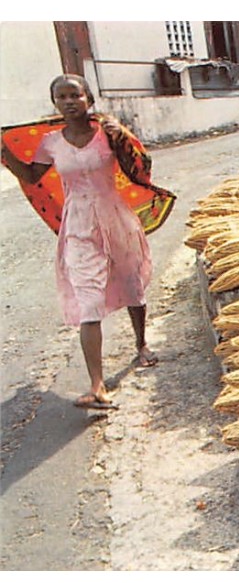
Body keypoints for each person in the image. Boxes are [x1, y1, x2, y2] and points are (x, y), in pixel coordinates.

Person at [0, 74, 168, 409]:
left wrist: (125, 138)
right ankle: (97, 386)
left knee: (132, 284)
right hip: (77, 225)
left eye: (75, 95)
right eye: (61, 97)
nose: (69, 102)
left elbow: (139, 165)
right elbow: (33, 176)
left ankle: (141, 345)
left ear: (88, 99)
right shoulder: (50, 143)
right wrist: (4, 153)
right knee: (88, 301)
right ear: (55, 104)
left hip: (116, 219)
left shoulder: (108, 133)